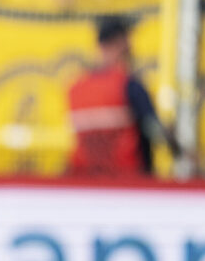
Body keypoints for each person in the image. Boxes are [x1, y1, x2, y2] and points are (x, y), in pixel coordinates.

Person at [67, 16, 182, 176]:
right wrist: (178, 148)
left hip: (87, 184)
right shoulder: (128, 85)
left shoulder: (75, 89)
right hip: (129, 185)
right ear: (120, 43)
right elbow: (155, 130)